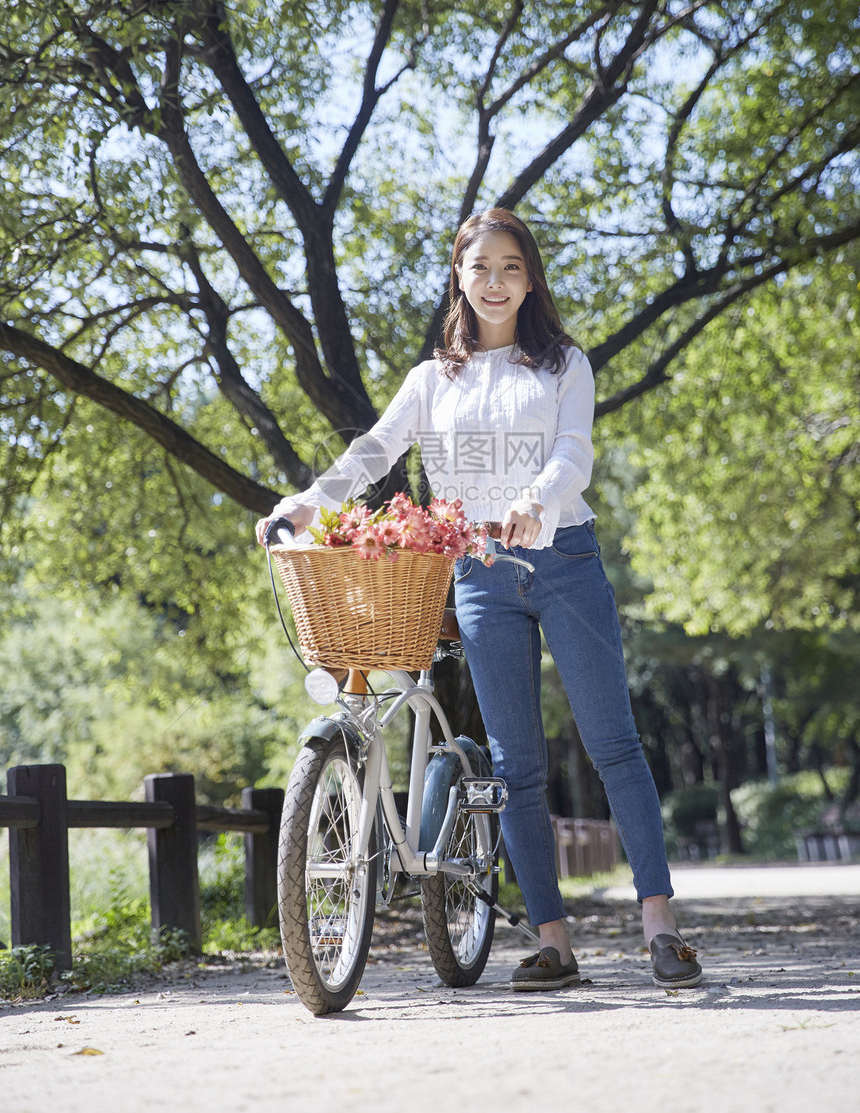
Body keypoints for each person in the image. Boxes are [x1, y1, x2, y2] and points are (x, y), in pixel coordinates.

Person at [256, 208, 702, 992]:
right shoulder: (433, 381)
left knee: (614, 746)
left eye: (511, 268)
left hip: (563, 559)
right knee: (515, 767)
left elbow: (574, 452)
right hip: (479, 579)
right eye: (480, 268)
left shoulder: (565, 364)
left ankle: (660, 926)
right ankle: (555, 944)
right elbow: (373, 451)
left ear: (530, 280)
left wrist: (537, 499)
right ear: (458, 278)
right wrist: (304, 502)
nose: (495, 282)